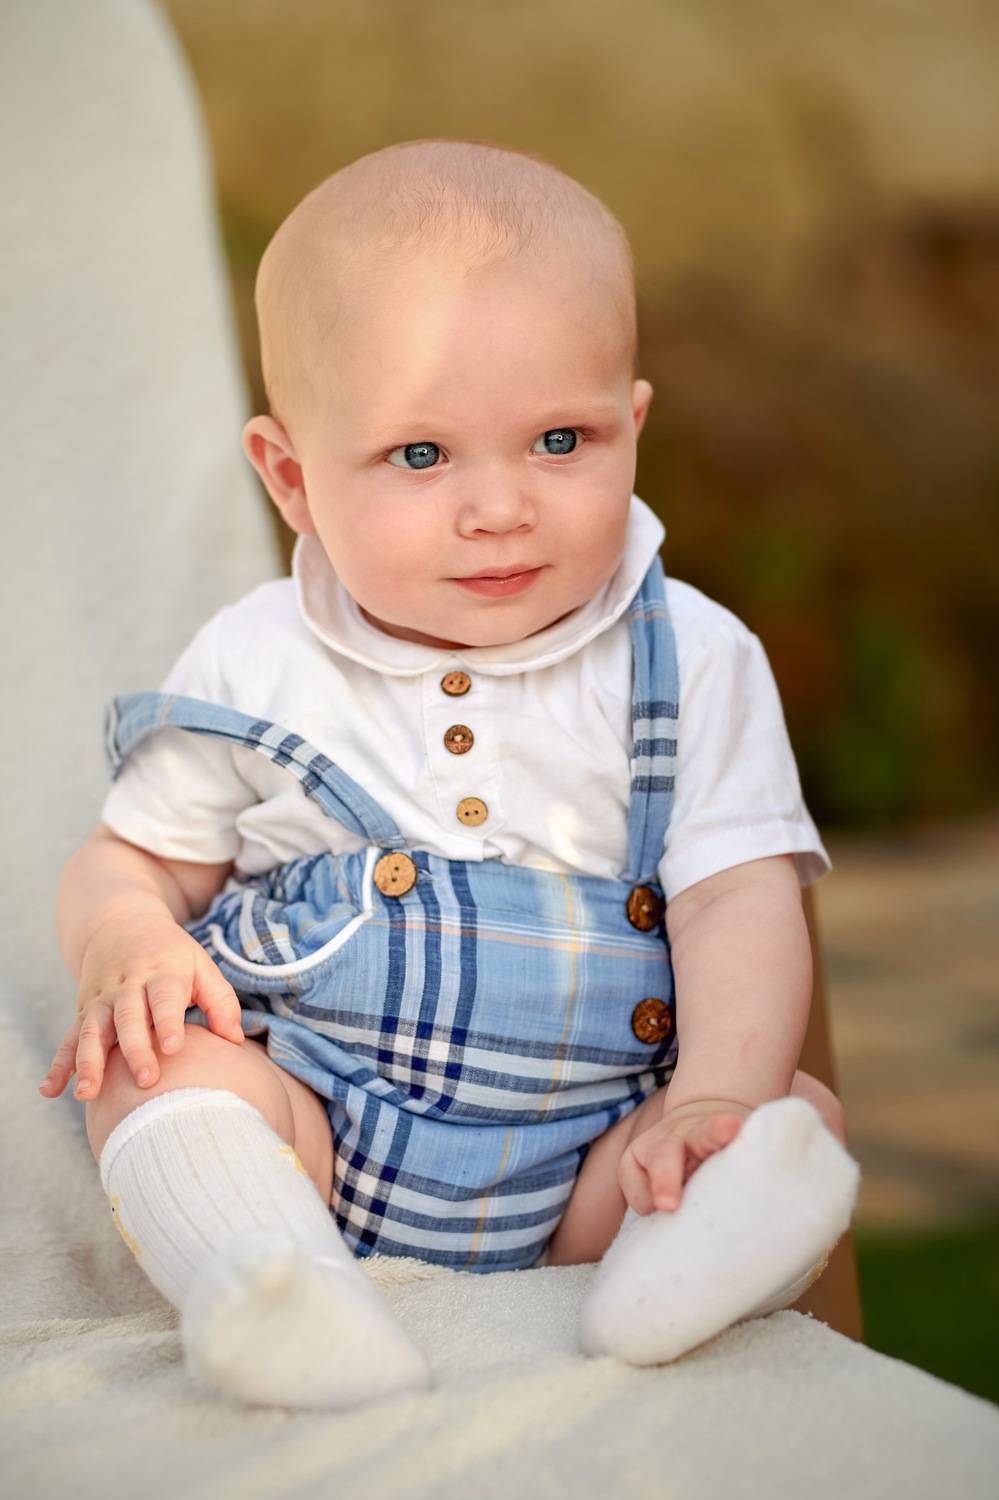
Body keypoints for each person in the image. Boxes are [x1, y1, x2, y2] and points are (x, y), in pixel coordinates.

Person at [42, 138, 858, 1410]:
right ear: (292, 478)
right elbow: (134, 858)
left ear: (632, 425)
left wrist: (711, 1096)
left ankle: (660, 1285)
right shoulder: (260, 658)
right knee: (159, 1069)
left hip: (594, 1162)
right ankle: (266, 1280)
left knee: (782, 1114)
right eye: (421, 456)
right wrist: (125, 938)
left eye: (559, 439)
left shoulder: (692, 658)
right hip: (312, 1128)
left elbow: (735, 897)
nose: (501, 507)